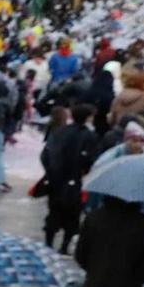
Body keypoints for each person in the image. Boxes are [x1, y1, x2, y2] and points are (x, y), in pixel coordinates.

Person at [40, 102, 96, 253]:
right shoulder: (88, 136)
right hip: (75, 180)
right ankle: (64, 245)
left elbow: (46, 153)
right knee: (72, 214)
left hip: (56, 178)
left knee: (54, 210)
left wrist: (50, 171)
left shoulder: (60, 131)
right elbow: (90, 159)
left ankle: (48, 242)